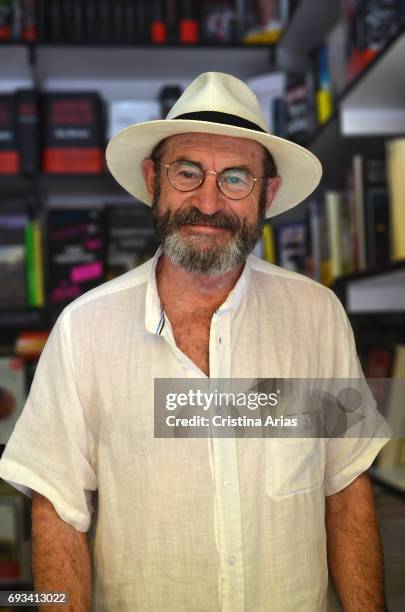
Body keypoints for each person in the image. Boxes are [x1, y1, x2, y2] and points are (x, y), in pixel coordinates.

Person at [0, 72, 391, 612]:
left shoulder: (315, 317)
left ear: (267, 194)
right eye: (187, 173)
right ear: (153, 180)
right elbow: (58, 512)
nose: (208, 203)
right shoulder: (83, 329)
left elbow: (346, 489)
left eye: (235, 178)